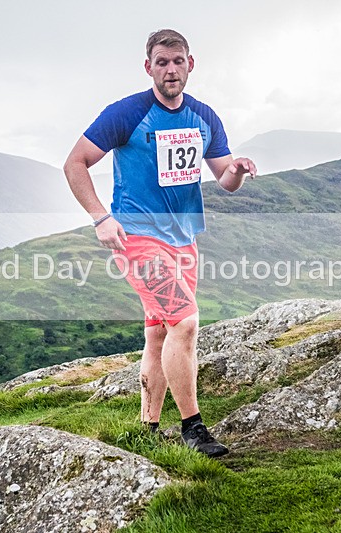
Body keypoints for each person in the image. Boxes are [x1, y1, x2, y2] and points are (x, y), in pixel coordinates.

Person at [63, 29, 256, 457]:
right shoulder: (126, 113)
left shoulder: (204, 117)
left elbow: (224, 179)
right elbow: (74, 163)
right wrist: (101, 217)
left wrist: (238, 169)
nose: (171, 69)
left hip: (184, 241)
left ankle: (147, 428)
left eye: (178, 61)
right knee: (185, 322)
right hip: (138, 239)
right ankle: (193, 428)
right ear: (148, 67)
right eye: (162, 62)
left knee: (158, 334)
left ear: (191, 64)